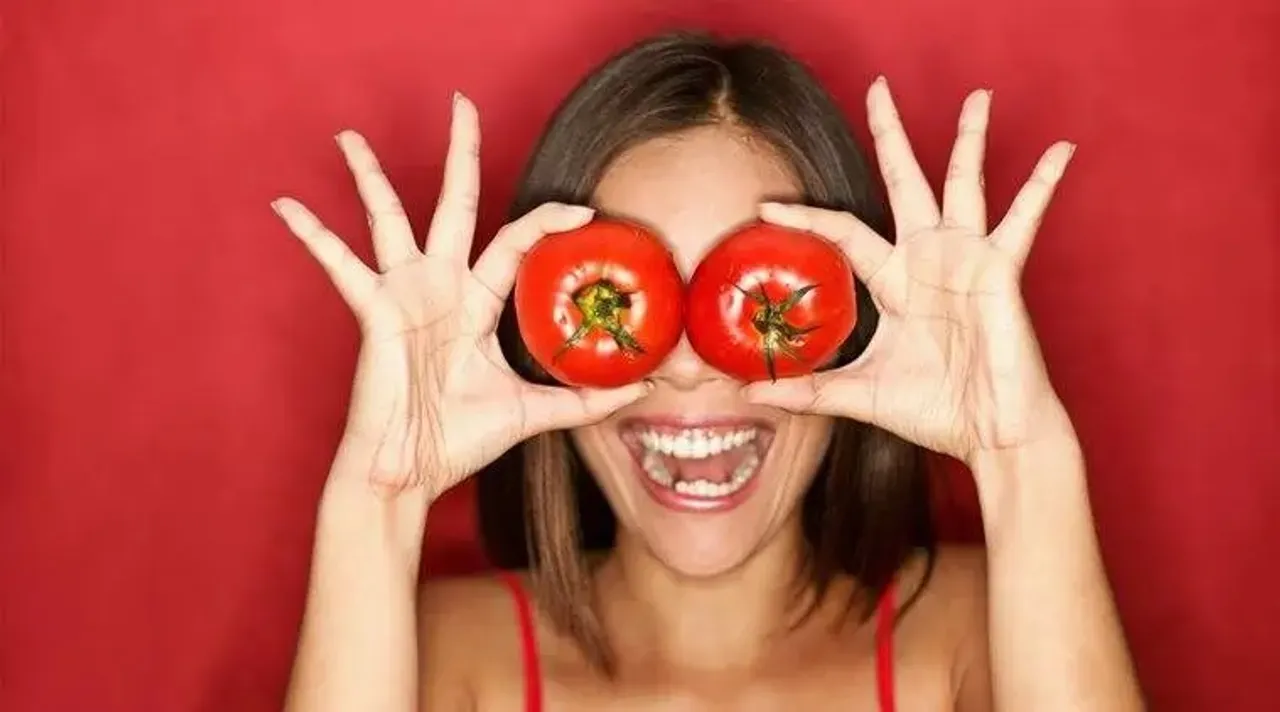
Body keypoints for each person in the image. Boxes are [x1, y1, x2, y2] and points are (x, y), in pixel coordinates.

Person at [271, 31, 1144, 712]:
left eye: (752, 291)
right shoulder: (440, 654)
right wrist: (375, 509)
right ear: (531, 341)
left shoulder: (973, 631)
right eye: (633, 304)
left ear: (859, 327)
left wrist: (1023, 461)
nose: (688, 369)